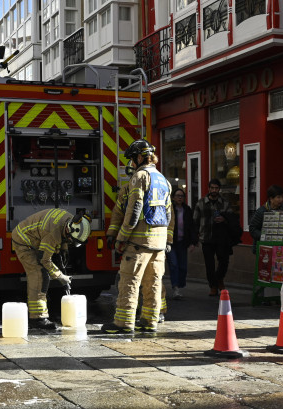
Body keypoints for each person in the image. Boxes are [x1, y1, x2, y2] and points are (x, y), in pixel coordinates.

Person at [102, 139, 173, 334]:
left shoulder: (140, 177)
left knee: (129, 282)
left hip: (139, 243)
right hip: (158, 243)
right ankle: (149, 322)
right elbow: (168, 213)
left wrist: (121, 237)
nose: (132, 163)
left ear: (140, 157)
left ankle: (123, 324)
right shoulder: (163, 179)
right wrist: (167, 240)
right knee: (154, 283)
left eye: (133, 159)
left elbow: (134, 210)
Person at [12, 208, 91, 330]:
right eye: (71, 240)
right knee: (40, 275)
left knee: (48, 270)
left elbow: (63, 235)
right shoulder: (52, 234)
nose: (70, 242)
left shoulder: (69, 220)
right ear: (69, 230)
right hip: (25, 242)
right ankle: (37, 318)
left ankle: (48, 308)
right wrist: (61, 277)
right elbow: (44, 260)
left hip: (38, 237)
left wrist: (64, 249)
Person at [194, 178, 233, 296]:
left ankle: (219, 278)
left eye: (216, 188)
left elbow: (232, 219)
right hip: (206, 238)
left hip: (221, 238)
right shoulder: (200, 203)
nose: (214, 190)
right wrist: (195, 236)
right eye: (212, 188)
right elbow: (195, 220)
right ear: (209, 189)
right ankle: (213, 286)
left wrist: (224, 219)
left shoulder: (225, 203)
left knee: (224, 262)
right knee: (209, 265)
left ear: (219, 189)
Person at [167, 188, 198, 299]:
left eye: (182, 196)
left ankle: (179, 286)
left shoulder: (187, 210)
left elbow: (191, 227)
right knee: (174, 264)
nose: (180, 198)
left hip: (182, 242)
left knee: (183, 267)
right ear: (173, 197)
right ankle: (175, 288)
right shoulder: (169, 209)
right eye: (178, 195)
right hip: (171, 242)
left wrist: (193, 242)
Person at [249, 184, 283, 253]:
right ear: (271, 199)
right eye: (278, 197)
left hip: (281, 247)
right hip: (264, 247)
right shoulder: (261, 211)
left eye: (282, 197)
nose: (281, 200)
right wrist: (266, 236)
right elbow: (252, 229)